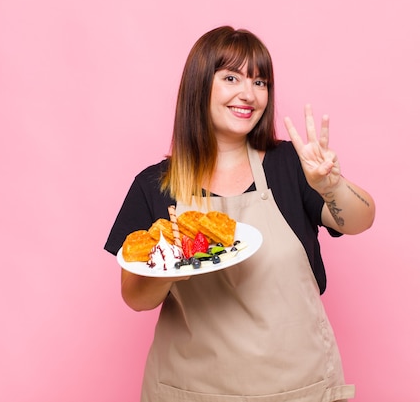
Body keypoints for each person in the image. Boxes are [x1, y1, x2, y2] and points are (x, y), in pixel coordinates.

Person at [104, 25, 375, 402]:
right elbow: (136, 298)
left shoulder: (291, 166)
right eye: (231, 77)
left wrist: (330, 184)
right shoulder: (155, 185)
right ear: (199, 85)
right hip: (191, 390)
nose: (249, 94)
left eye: (260, 82)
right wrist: (171, 256)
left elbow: (361, 220)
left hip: (297, 387)